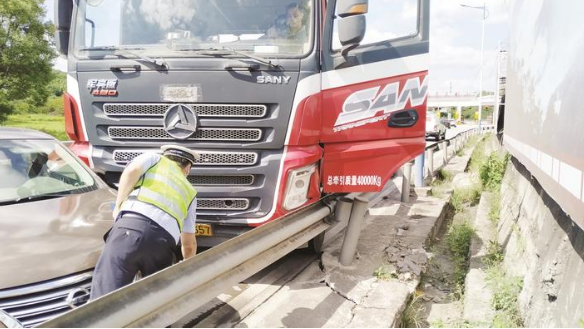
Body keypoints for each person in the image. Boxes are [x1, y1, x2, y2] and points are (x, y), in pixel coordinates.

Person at [90, 145, 199, 300]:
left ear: (166, 156)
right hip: (162, 243)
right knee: (156, 299)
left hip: (130, 229)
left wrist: (119, 205)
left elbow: (132, 171)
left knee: (105, 297)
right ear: (187, 169)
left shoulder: (154, 158)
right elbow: (189, 244)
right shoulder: (191, 192)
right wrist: (187, 266)